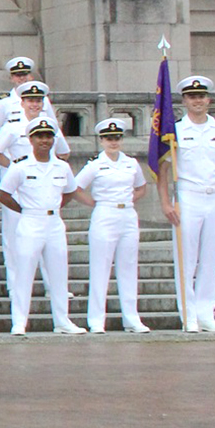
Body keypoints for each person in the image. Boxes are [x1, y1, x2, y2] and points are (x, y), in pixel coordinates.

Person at [0, 116, 88, 335]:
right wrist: (24, 210)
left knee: (58, 273)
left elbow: (70, 191)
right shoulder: (21, 166)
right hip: (30, 221)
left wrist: (54, 208)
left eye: (48, 136)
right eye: (39, 137)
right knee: (24, 272)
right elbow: (3, 193)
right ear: (31, 139)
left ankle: (62, 320)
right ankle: (19, 321)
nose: (44, 141)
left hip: (54, 222)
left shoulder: (62, 167)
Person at [0, 81, 72, 305]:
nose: (34, 104)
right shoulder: (13, 127)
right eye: (30, 100)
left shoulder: (50, 126)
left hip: (43, 191)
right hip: (17, 190)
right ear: (21, 102)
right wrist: (14, 167)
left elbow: (64, 152)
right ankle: (16, 287)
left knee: (52, 245)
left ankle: (54, 288)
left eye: (38, 100)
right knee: (14, 241)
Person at [164, 75, 215, 333]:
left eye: (201, 96)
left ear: (208, 100)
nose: (198, 101)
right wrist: (166, 203)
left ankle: (206, 313)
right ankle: (188, 315)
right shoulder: (176, 131)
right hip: (187, 196)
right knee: (186, 258)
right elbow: (163, 169)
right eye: (192, 97)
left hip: (214, 197)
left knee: (210, 257)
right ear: (184, 101)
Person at [79, 117, 151, 334]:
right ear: (101, 140)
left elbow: (141, 187)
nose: (113, 142)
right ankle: (96, 319)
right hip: (105, 214)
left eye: (117, 138)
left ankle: (131, 318)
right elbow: (76, 187)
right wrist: (95, 203)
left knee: (128, 267)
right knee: (100, 267)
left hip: (127, 214)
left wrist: (127, 200)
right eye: (109, 138)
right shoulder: (96, 164)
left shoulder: (131, 163)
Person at [0, 56, 57, 134]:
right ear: (11, 78)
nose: (22, 78)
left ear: (31, 76)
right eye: (18, 75)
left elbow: (54, 125)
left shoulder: (44, 100)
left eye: (25, 74)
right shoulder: (3, 102)